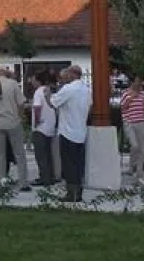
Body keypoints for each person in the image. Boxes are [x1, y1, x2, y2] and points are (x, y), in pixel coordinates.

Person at [0, 66, 30, 191]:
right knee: (19, 153)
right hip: (13, 122)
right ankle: (23, 182)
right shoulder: (13, 84)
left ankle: (2, 181)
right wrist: (20, 118)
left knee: (0, 154)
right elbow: (21, 103)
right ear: (6, 72)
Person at [49, 65, 90, 203]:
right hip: (81, 131)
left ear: (73, 74)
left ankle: (70, 193)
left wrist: (48, 94)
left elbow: (53, 102)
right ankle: (78, 192)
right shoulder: (86, 90)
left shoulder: (68, 89)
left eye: (67, 73)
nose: (65, 76)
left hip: (67, 132)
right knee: (78, 164)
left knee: (68, 164)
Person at [120, 74, 144, 177]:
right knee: (135, 145)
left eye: (140, 82)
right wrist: (131, 98)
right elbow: (123, 108)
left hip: (140, 121)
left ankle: (139, 170)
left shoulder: (142, 93)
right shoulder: (126, 93)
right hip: (129, 122)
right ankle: (132, 165)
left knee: (142, 147)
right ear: (132, 82)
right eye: (137, 81)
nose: (138, 84)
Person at [31, 71, 58, 185]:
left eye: (33, 79)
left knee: (40, 154)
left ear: (38, 80)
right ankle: (50, 176)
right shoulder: (48, 91)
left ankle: (44, 178)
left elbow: (37, 108)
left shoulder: (38, 92)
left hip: (41, 127)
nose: (31, 81)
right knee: (48, 153)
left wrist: (36, 122)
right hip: (50, 126)